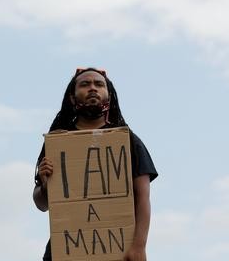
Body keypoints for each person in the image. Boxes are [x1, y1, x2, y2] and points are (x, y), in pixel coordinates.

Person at [33, 67, 158, 261]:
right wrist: (46, 185)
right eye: (85, 84)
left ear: (109, 95)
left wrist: (139, 246)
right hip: (65, 251)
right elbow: (42, 204)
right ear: (73, 98)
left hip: (118, 251)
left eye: (99, 84)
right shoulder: (56, 144)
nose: (92, 88)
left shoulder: (128, 141)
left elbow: (143, 197)